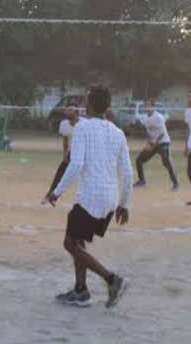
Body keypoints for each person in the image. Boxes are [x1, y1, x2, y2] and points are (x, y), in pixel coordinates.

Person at [47, 86, 132, 309]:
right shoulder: (117, 132)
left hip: (89, 197)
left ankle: (112, 279)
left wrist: (56, 191)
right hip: (110, 198)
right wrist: (124, 203)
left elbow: (76, 164)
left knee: (70, 243)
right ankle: (81, 290)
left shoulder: (83, 128)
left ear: (90, 105)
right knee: (78, 239)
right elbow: (127, 171)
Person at [134, 99, 179, 190]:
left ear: (153, 106)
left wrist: (153, 146)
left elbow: (162, 134)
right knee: (139, 160)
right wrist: (149, 143)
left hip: (163, 142)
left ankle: (176, 183)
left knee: (166, 161)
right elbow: (148, 132)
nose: (147, 107)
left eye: (149, 105)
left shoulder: (158, 117)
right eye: (145, 105)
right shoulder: (145, 118)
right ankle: (142, 181)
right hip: (153, 142)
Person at [43, 106, 80, 203]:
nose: (67, 111)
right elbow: (65, 141)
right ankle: (50, 195)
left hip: (85, 153)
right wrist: (65, 155)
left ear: (76, 112)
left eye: (70, 109)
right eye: (66, 110)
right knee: (60, 173)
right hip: (73, 152)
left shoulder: (83, 123)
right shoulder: (64, 124)